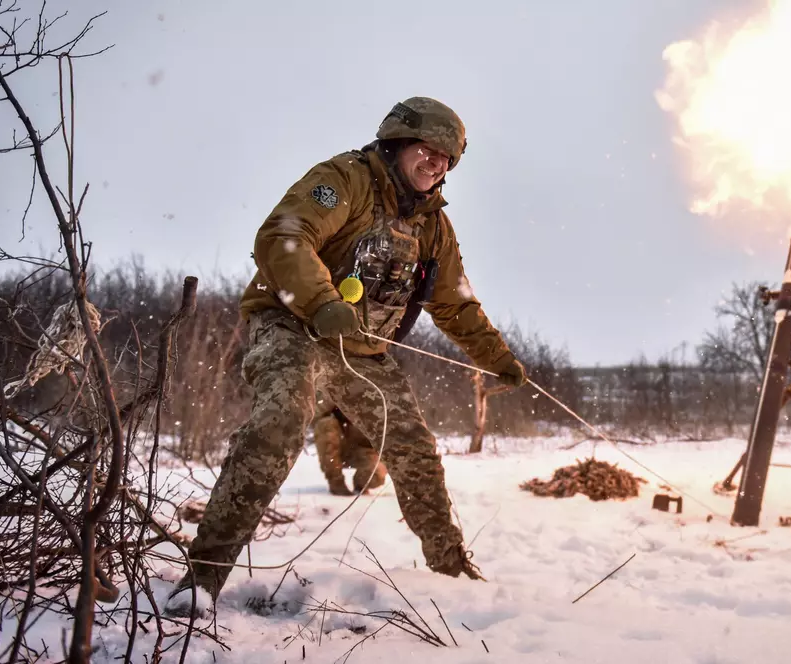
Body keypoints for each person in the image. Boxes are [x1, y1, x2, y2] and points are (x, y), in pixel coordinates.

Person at [165, 97, 527, 616]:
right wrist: (322, 302)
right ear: (398, 142)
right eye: (428, 150)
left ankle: (452, 571)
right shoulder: (345, 179)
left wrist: (497, 357)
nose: (436, 164)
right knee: (281, 424)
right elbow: (284, 236)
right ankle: (202, 578)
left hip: (362, 352)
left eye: (447, 159)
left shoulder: (433, 228)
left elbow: (455, 303)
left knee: (415, 450)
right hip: (292, 324)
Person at [312, 394, 387, 496]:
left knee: (378, 472)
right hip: (339, 444)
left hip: (360, 450)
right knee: (325, 424)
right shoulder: (338, 388)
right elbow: (314, 415)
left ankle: (360, 484)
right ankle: (336, 482)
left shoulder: (380, 396)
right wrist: (333, 400)